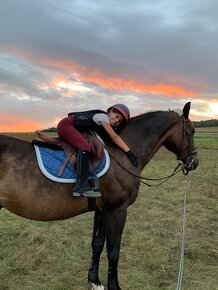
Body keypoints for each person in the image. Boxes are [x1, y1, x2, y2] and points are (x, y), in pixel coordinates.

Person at [57, 104, 138, 198]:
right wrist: (129, 152)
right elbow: (114, 137)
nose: (116, 121)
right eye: (116, 117)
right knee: (84, 146)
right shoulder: (103, 117)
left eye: (119, 121)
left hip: (71, 127)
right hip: (66, 125)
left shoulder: (103, 120)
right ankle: (81, 187)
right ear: (110, 111)